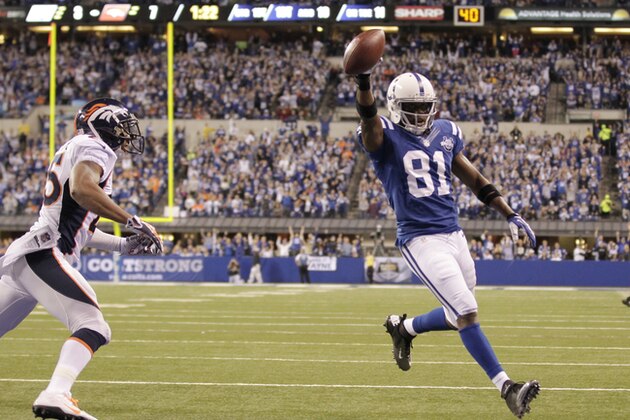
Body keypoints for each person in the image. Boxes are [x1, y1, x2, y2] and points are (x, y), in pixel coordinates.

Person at [354, 71, 539, 418]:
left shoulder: (446, 132)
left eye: (425, 106)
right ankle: (507, 388)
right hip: (420, 239)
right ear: (395, 107)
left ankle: (403, 328)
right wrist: (364, 82)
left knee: (458, 317)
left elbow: (473, 178)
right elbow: (368, 119)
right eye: (412, 106)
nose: (421, 113)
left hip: (454, 235)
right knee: (467, 311)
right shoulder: (384, 136)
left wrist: (509, 212)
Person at [0, 98, 163, 420]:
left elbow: (80, 228)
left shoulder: (77, 146)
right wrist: (131, 220)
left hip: (30, 254)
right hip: (43, 253)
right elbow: (82, 190)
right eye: (121, 124)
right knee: (93, 326)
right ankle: (57, 393)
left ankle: (57, 393)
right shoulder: (96, 147)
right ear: (101, 122)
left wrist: (122, 245)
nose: (126, 133)